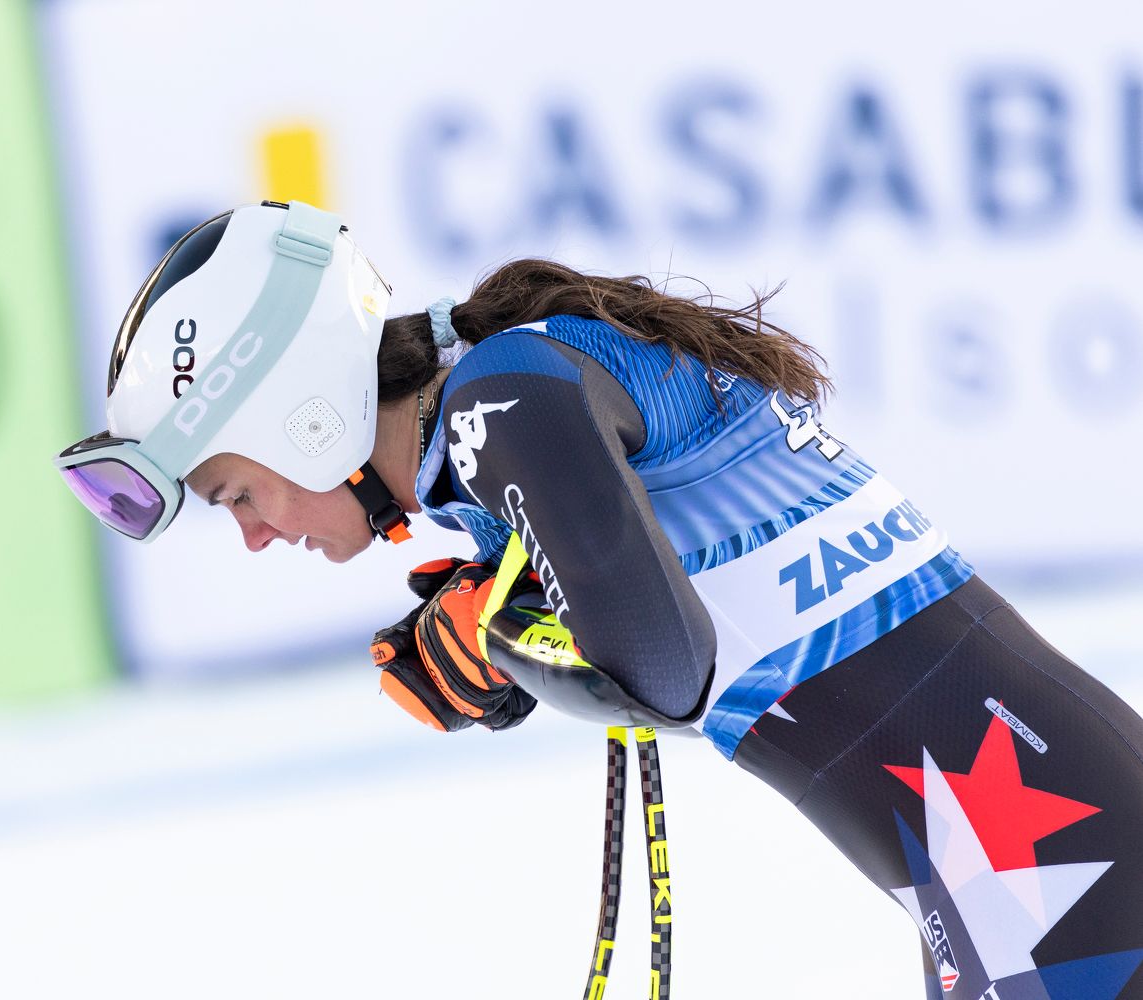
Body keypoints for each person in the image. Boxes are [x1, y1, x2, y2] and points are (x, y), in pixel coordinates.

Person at [56, 201, 1143, 1000]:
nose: (252, 532)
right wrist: (509, 625)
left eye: (236, 490)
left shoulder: (503, 399)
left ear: (302, 413)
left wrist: (504, 641)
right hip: (1021, 865)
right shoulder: (501, 404)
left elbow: (662, 672)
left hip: (1046, 872)